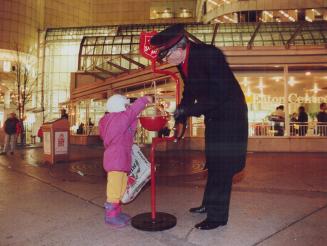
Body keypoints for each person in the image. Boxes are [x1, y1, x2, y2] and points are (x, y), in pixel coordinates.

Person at [150, 24, 248, 230]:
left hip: (230, 118)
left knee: (223, 167)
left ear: (179, 48)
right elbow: (190, 91)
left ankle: (218, 217)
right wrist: (181, 117)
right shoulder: (183, 61)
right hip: (214, 116)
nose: (165, 60)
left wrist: (189, 112)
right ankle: (208, 204)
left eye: (165, 55)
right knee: (213, 163)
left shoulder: (209, 54)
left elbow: (220, 94)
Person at [98, 94, 152, 227]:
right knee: (115, 190)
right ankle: (110, 216)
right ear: (120, 107)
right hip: (116, 160)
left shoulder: (113, 120)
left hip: (119, 159)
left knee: (121, 188)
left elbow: (129, 118)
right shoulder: (118, 120)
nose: (128, 107)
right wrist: (145, 99)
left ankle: (116, 212)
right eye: (126, 105)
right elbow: (131, 112)